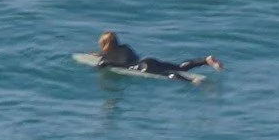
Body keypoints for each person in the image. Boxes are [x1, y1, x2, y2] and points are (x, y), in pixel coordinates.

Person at [93, 31, 221, 81]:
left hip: (142, 68)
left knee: (168, 74)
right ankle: (205, 60)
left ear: (104, 44)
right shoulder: (126, 47)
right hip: (148, 60)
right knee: (180, 66)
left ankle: (191, 81)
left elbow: (102, 63)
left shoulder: (106, 58)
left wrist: (96, 67)